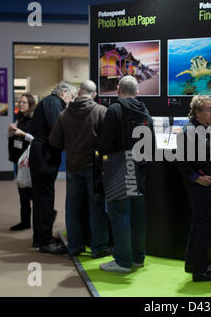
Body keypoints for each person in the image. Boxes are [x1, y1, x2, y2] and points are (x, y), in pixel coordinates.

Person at [98, 75, 154, 273]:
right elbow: (151, 144)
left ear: (118, 89)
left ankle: (122, 261)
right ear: (137, 92)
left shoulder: (114, 110)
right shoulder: (145, 112)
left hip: (118, 168)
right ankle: (138, 258)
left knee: (120, 215)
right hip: (139, 168)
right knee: (138, 216)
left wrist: (102, 165)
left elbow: (105, 143)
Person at [49, 80, 110, 258]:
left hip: (73, 166)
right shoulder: (101, 111)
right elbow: (107, 140)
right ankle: (99, 247)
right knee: (97, 208)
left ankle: (75, 246)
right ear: (94, 95)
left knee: (72, 208)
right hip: (95, 167)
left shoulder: (64, 114)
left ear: (79, 92)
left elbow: (54, 141)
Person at [176, 95, 211, 282]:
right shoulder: (190, 131)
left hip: (206, 184)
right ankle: (199, 270)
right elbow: (181, 160)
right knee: (203, 226)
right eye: (208, 110)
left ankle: (192, 264)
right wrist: (197, 179)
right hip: (201, 186)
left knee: (200, 224)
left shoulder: (204, 129)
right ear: (197, 112)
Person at [29, 81, 77, 254]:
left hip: (42, 155)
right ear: (63, 92)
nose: (72, 101)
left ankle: (40, 237)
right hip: (44, 156)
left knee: (43, 198)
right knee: (44, 199)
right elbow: (57, 130)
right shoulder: (54, 103)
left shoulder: (50, 102)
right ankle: (45, 241)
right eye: (71, 96)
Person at [8, 94, 36, 231]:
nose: (21, 104)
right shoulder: (19, 118)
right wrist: (11, 132)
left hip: (29, 161)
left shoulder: (34, 120)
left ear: (30, 104)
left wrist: (22, 134)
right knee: (23, 193)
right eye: (20, 102)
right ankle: (24, 222)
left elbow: (36, 140)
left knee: (31, 193)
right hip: (20, 161)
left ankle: (47, 215)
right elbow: (13, 139)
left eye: (24, 102)